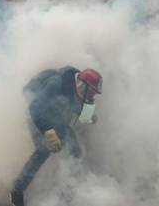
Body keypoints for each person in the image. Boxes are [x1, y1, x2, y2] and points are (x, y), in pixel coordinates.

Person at [10, 66, 103, 206]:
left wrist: (89, 118)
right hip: (37, 116)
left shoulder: (84, 94)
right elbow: (35, 107)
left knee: (76, 151)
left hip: (56, 116)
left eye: (94, 94)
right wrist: (47, 131)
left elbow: (81, 114)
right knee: (43, 150)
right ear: (82, 85)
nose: (92, 96)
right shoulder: (57, 83)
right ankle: (16, 192)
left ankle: (68, 192)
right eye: (91, 92)